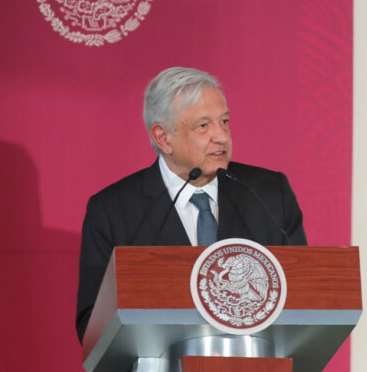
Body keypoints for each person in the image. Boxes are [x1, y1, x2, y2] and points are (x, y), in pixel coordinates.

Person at [75, 67, 307, 342]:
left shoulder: (269, 193)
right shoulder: (114, 210)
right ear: (163, 138)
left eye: (224, 121)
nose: (221, 136)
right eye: (203, 126)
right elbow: (93, 324)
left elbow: (304, 298)